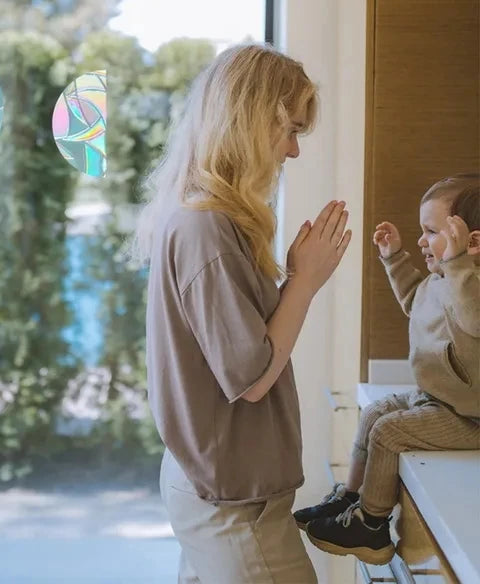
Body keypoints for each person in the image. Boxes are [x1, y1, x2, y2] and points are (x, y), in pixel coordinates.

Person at [133, 42, 352, 583]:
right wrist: (304, 280)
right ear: (250, 123)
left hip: (213, 482)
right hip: (233, 501)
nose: (294, 151)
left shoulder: (205, 217)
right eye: (291, 130)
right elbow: (251, 376)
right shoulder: (207, 228)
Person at [298, 174, 480, 565]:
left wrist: (459, 264)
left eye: (431, 231)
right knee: (375, 413)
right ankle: (351, 496)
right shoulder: (441, 279)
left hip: (469, 417)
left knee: (389, 432)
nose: (421, 240)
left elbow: (473, 319)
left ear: (472, 242)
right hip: (438, 399)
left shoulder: (470, 285)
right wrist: (395, 258)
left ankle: (371, 525)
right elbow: (414, 300)